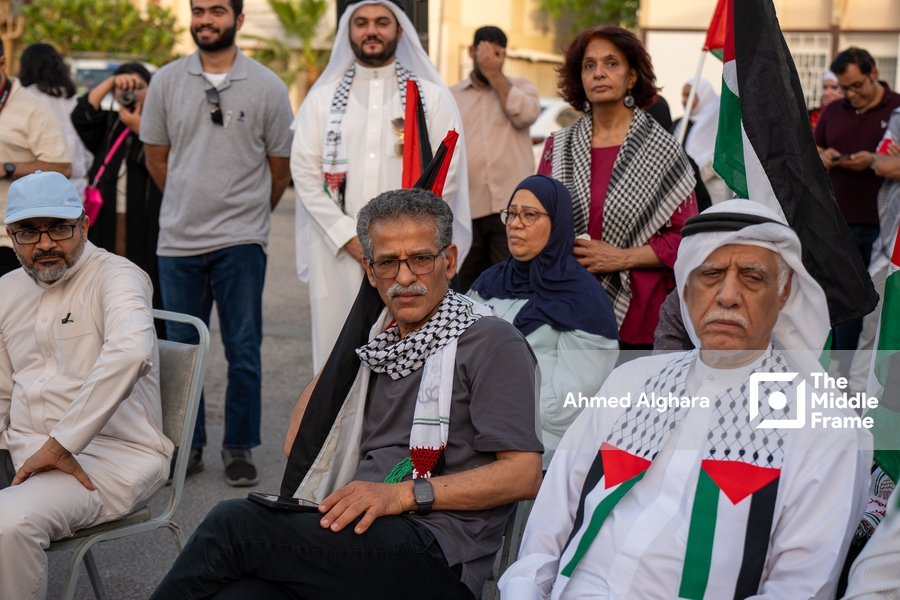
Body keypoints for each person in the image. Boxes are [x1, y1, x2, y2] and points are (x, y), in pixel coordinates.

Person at [149, 188, 543, 600]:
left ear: (449, 260)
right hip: (358, 536)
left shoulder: (492, 341)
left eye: (421, 259)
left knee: (234, 525)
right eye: (388, 263)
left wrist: (402, 494)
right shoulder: (376, 344)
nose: (405, 278)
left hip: (436, 552)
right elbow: (298, 444)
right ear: (370, 273)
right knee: (240, 595)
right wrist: (353, 337)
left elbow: (523, 474)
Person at [499, 199, 872, 599]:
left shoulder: (824, 428)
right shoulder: (631, 382)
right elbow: (548, 527)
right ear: (687, 289)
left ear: (783, 294)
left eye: (752, 277)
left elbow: (799, 588)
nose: (727, 296)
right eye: (710, 274)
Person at [140, 0, 294, 485]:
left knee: (243, 347)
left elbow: (279, 167)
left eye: (217, 11)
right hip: (178, 241)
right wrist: (190, 202)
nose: (206, 19)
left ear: (239, 20)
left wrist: (245, 217)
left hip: (241, 241)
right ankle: (189, 445)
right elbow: (156, 158)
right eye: (199, 10)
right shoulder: (165, 80)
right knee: (182, 349)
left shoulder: (268, 85)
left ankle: (239, 446)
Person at [0, 172, 172, 600]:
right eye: (28, 231)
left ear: (84, 225)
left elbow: (130, 353)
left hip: (112, 458)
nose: (44, 244)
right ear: (10, 235)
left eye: (59, 227)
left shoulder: (118, 277)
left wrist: (61, 443)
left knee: (9, 523)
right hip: (24, 453)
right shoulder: (6, 289)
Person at [291, 0, 472, 373]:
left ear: (399, 32)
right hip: (338, 252)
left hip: (410, 257)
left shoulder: (432, 98)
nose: (371, 30)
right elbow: (305, 174)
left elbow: (445, 172)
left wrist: (395, 243)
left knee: (410, 357)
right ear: (349, 33)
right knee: (336, 363)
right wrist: (350, 237)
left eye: (381, 22)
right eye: (361, 22)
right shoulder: (322, 101)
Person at [537, 27, 697, 353]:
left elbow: (686, 239)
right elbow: (539, 220)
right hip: (567, 304)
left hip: (640, 314)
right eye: (589, 65)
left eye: (612, 63)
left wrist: (620, 258)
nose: (599, 73)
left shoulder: (663, 151)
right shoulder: (559, 146)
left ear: (632, 76)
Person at [467, 175, 618, 468]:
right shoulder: (490, 280)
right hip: (471, 423)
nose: (515, 223)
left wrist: (501, 416)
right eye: (511, 213)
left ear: (557, 223)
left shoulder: (582, 297)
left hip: (537, 442)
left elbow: (575, 392)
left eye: (530, 215)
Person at [815, 47, 900, 357]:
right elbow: (815, 149)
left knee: (881, 305)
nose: (850, 94)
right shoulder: (834, 111)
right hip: (841, 224)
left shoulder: (897, 111)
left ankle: (876, 379)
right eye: (843, 87)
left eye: (856, 85)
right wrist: (823, 156)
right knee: (845, 303)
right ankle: (843, 374)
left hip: (888, 231)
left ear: (874, 74)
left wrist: (873, 162)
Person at [71, 63, 165, 325]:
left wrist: (139, 127)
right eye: (125, 87)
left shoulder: (160, 126)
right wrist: (111, 83)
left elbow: (158, 162)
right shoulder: (109, 123)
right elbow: (82, 114)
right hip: (109, 217)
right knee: (107, 276)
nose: (131, 92)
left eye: (139, 87)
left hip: (145, 219)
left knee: (145, 278)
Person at [450, 26, 540, 291]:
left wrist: (494, 75)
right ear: (471, 51)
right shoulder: (452, 96)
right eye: (484, 51)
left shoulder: (521, 87)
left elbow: (525, 115)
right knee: (466, 286)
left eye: (497, 53)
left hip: (511, 210)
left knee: (511, 284)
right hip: (466, 208)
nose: (491, 58)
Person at [0, 37, 72, 277]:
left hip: (9, 240)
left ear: (2, 64)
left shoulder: (34, 108)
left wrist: (7, 168)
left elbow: (62, 167)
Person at [18, 43, 94, 198]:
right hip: (76, 190)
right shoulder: (75, 102)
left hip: (36, 192)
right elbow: (88, 152)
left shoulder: (24, 98)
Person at [673, 78, 729, 205]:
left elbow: (722, 155)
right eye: (684, 95)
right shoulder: (680, 125)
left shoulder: (716, 119)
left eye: (690, 95)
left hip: (714, 195)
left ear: (704, 95)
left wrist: (698, 173)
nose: (685, 100)